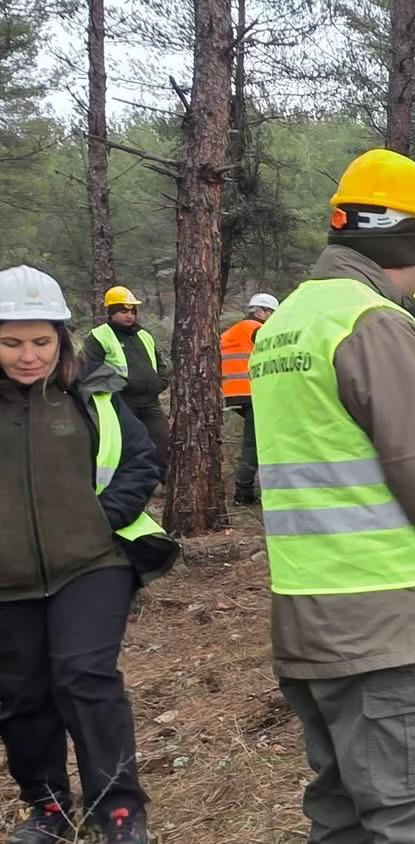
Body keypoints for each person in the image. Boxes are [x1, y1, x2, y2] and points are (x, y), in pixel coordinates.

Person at [250, 149, 415, 843]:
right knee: (414, 818)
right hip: (390, 623)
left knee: (343, 814)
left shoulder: (286, 324)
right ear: (409, 237)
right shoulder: (374, 322)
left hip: (308, 614)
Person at [0, 265, 178, 844]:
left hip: (92, 565)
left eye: (41, 342)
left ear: (61, 339)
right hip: (8, 579)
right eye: (11, 342)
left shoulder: (90, 398)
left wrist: (100, 520)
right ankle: (48, 809)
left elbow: (139, 460)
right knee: (24, 693)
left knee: (85, 676)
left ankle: (118, 808)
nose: (28, 356)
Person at [81, 286, 169, 467]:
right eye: (123, 311)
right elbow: (89, 369)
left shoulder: (144, 335)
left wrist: (160, 382)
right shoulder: (99, 336)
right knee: (126, 448)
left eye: (132, 311)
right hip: (120, 402)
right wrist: (120, 386)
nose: (129, 315)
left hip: (150, 402)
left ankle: (162, 484)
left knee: (162, 444)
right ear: (111, 312)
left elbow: (160, 363)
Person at [220, 293, 279, 506]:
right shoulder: (258, 330)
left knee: (254, 441)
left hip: (233, 394)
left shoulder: (231, 332)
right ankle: (243, 493)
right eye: (271, 313)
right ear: (261, 311)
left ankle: (248, 489)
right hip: (255, 392)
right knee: (254, 444)